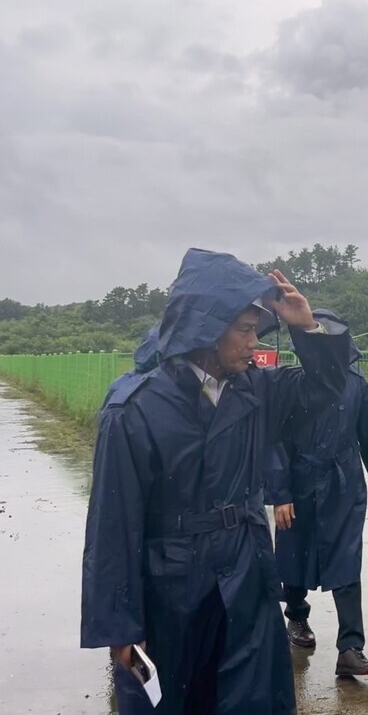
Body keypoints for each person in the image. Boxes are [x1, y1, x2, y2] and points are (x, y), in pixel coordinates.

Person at [81, 249, 350, 715]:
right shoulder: (136, 409)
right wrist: (120, 624)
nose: (254, 342)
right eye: (244, 329)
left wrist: (307, 328)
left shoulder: (256, 390)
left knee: (249, 696)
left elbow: (325, 388)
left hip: (245, 571)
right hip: (170, 584)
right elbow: (113, 523)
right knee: (173, 699)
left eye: (256, 329)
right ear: (205, 330)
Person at [268, 313, 368, 676]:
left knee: (347, 558)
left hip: (343, 483)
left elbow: (367, 425)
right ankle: (296, 617)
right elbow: (274, 440)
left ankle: (350, 647)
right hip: (299, 481)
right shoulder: (291, 383)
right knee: (294, 552)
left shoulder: (356, 381)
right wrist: (280, 492)